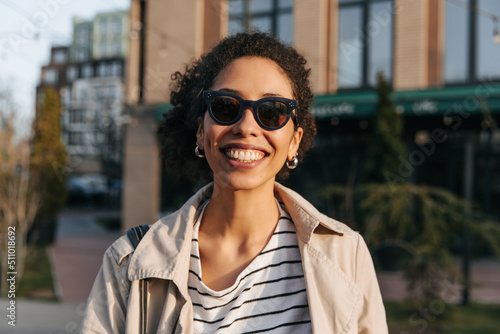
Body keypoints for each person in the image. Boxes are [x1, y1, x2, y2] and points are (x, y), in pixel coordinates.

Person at [81, 32, 388, 334]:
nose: (246, 127)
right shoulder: (128, 264)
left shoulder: (346, 255)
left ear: (295, 141)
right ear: (201, 132)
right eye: (226, 107)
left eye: (272, 111)